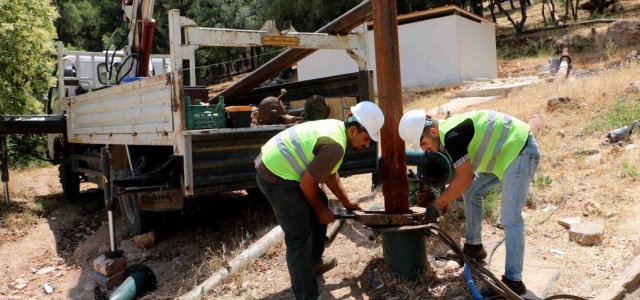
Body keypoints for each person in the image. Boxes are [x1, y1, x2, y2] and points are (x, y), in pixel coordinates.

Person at [398, 109, 540, 296]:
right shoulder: (447, 134)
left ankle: (513, 281)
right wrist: (446, 196)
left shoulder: (452, 135)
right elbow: (461, 175)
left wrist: (438, 204)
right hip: (503, 154)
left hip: (520, 150)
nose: (425, 150)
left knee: (510, 218)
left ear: (433, 132)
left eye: (423, 144)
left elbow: (464, 177)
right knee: (472, 192)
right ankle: (474, 247)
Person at [255, 101, 385, 300]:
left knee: (321, 199)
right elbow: (307, 185)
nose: (367, 144)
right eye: (366, 138)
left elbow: (329, 173)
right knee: (299, 235)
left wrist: (346, 201)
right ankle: (307, 296)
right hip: (275, 176)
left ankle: (313, 263)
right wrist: (321, 211)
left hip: (276, 164)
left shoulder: (336, 131)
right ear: (353, 130)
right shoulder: (335, 147)